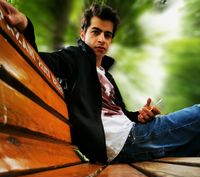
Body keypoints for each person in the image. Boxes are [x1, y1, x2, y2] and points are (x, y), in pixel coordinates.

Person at [1, 0, 200, 164]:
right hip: (119, 142)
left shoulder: (106, 75)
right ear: (83, 34)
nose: (102, 39)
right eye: (95, 32)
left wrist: (139, 116)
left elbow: (118, 114)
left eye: (107, 35)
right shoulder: (74, 57)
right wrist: (26, 25)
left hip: (131, 134)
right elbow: (38, 61)